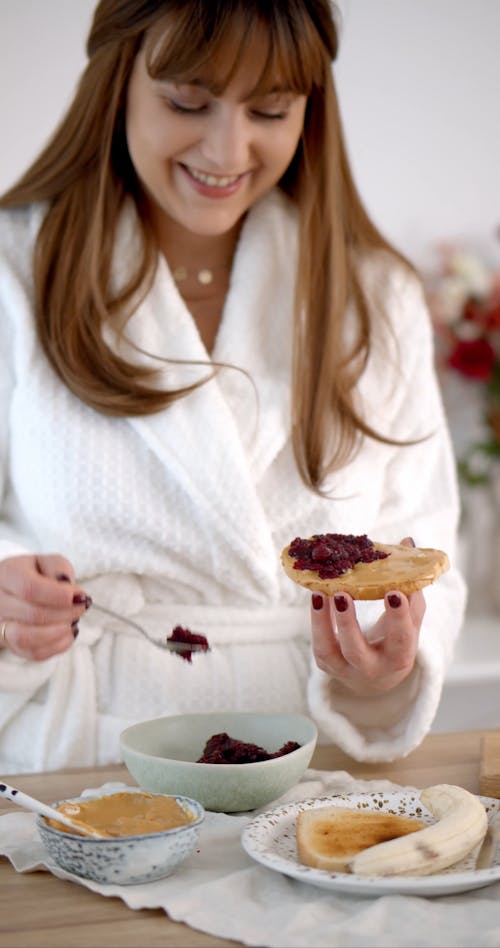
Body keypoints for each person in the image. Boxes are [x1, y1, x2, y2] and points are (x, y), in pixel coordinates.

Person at [0, 0, 466, 775]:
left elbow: (423, 545)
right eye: (187, 101)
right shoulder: (17, 270)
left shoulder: (374, 297)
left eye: (270, 109)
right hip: (82, 760)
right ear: (118, 82)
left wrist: (382, 671)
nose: (228, 148)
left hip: (307, 766)